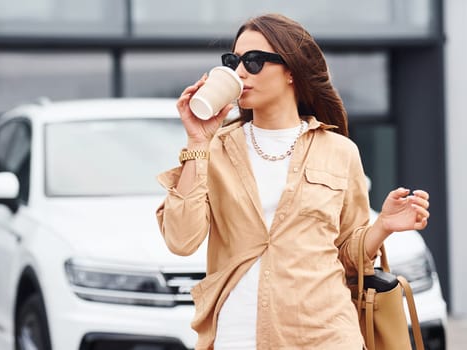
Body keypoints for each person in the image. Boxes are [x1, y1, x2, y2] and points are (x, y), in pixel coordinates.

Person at [156, 13, 430, 350]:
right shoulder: (215, 150)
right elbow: (181, 240)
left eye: (254, 61)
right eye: (233, 61)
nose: (239, 72)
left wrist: (383, 226)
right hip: (238, 337)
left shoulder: (340, 151)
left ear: (291, 71)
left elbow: (347, 257)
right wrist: (198, 143)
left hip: (325, 336)